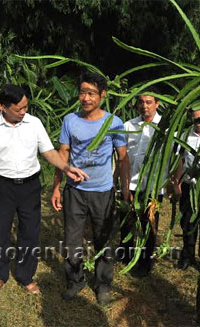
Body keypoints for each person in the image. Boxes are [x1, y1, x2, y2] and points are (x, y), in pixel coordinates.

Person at [0, 84, 88, 295]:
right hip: (2, 186)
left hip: (29, 186)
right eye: (19, 108)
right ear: (3, 106)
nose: (24, 111)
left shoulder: (34, 123)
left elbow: (49, 152)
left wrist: (66, 167)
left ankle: (26, 275)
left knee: (30, 232)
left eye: (26, 107)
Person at [51, 72, 130, 305]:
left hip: (102, 191)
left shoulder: (113, 123)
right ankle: (75, 280)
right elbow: (62, 155)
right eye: (82, 92)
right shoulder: (70, 121)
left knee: (103, 238)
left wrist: (124, 189)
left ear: (102, 95)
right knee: (72, 239)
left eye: (91, 93)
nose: (85, 98)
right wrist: (57, 187)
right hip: (74, 190)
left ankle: (103, 283)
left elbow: (123, 158)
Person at [120, 86, 163, 277]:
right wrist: (121, 181)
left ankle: (145, 261)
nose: (144, 106)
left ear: (157, 103)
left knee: (149, 223)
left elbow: (174, 156)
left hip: (153, 185)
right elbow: (122, 156)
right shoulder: (129, 125)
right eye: (140, 102)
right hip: (131, 182)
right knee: (126, 220)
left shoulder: (166, 127)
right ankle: (126, 255)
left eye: (148, 102)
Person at [172, 109, 200, 272]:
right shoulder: (184, 136)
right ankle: (187, 256)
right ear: (191, 118)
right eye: (196, 119)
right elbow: (180, 160)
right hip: (189, 186)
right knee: (188, 223)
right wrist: (176, 183)